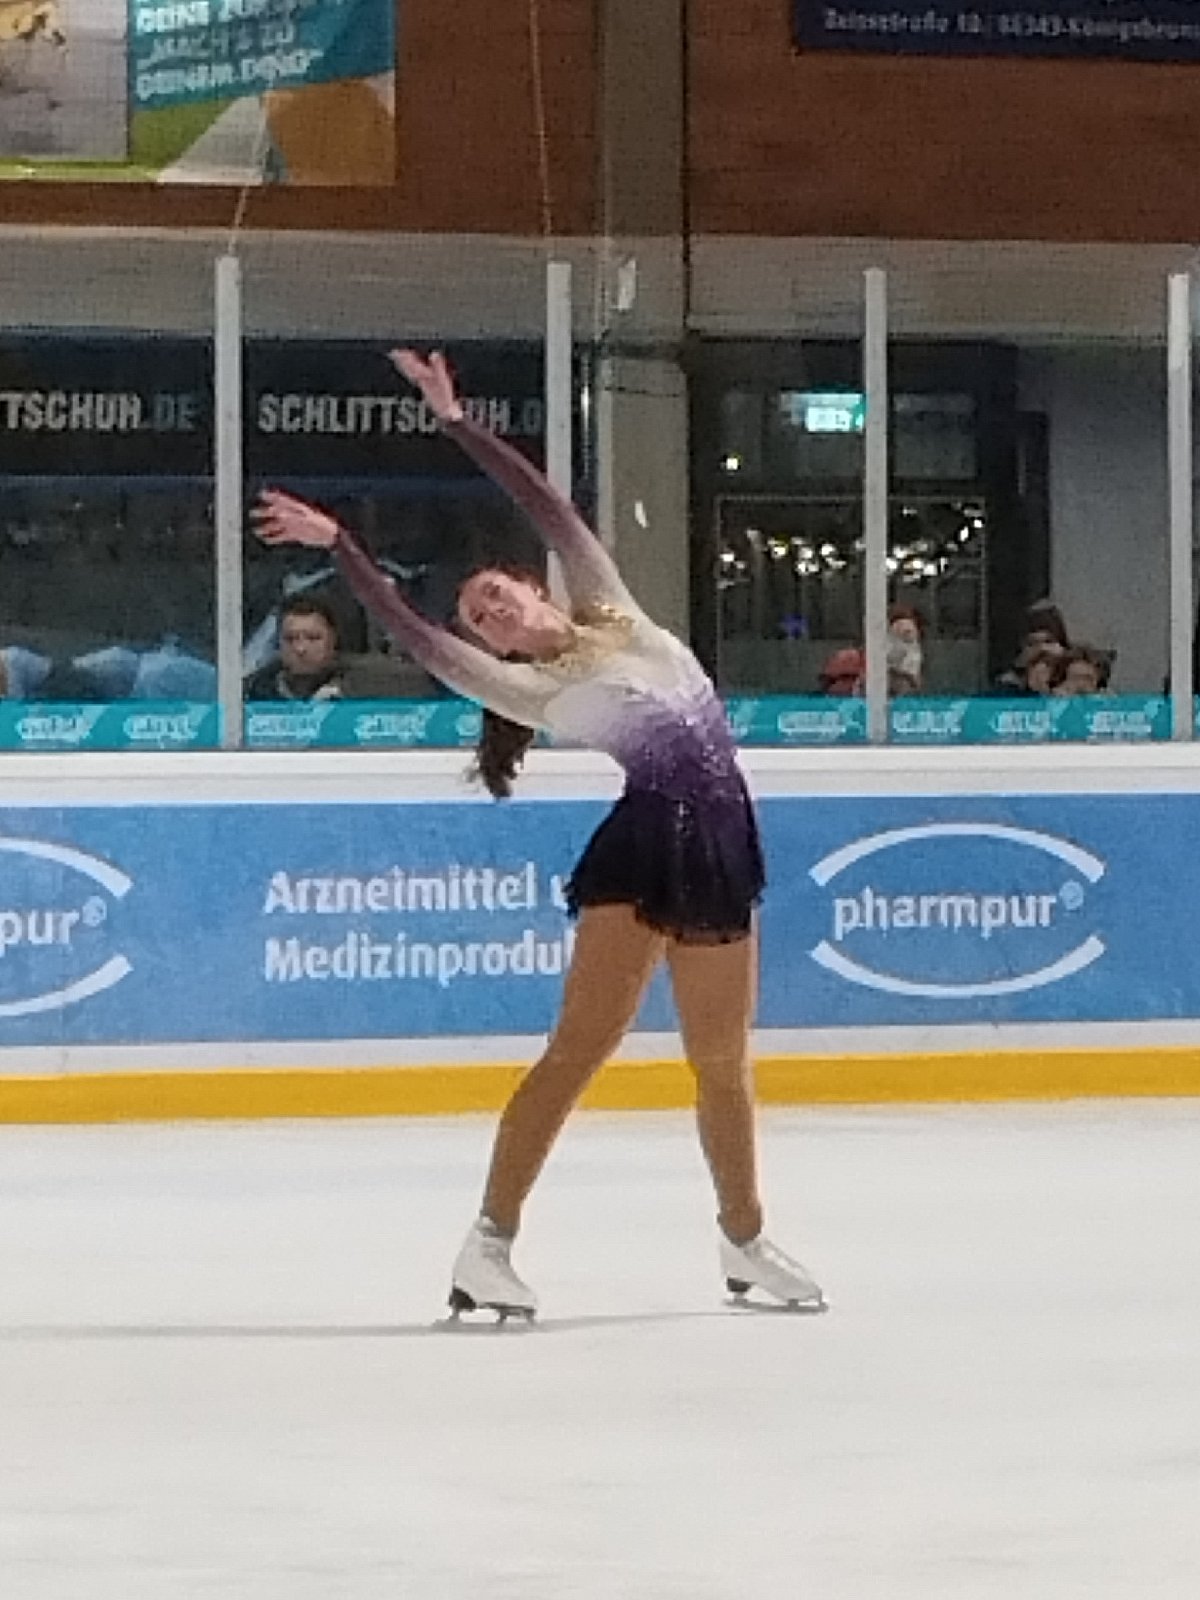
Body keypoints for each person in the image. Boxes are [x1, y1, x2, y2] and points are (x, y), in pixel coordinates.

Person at [254, 350, 825, 1321]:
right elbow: (410, 629)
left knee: (724, 1064)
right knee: (576, 1051)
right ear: (495, 646)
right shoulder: (530, 690)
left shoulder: (617, 614)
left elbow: (547, 505)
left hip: (723, 847)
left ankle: (745, 1238)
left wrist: (457, 421)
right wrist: (343, 545)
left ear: (531, 587)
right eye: (480, 619)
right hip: (642, 854)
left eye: (495, 592)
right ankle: (488, 1242)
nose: (491, 610)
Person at [244, 595, 345, 703]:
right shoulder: (255, 691)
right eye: (290, 639)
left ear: (332, 641)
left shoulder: (355, 688)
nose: (300, 649)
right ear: (278, 644)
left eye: (313, 638)